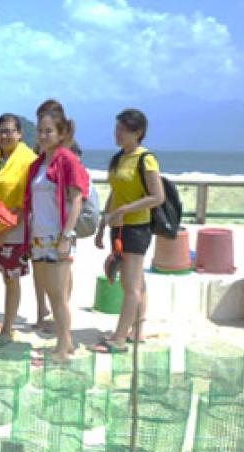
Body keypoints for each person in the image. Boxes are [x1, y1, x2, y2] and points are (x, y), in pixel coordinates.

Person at [92, 109, 164, 353]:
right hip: (118, 226)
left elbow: (157, 196)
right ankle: (138, 331)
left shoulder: (146, 159)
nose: (118, 134)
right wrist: (103, 225)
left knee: (129, 286)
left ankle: (119, 338)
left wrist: (127, 209)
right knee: (137, 282)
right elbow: (115, 192)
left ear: (138, 133)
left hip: (137, 228)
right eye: (117, 129)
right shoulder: (119, 158)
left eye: (123, 130)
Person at [23, 110, 89, 362]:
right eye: (40, 130)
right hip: (38, 235)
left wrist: (66, 236)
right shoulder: (37, 164)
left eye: (49, 131)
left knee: (59, 296)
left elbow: (76, 201)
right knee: (50, 293)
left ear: (62, 134)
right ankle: (66, 342)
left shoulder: (68, 160)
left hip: (58, 235)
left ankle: (63, 345)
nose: (43, 135)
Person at [0, 114, 38, 345]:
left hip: (15, 226)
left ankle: (8, 327)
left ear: (19, 134)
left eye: (9, 131)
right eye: (0, 131)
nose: (4, 136)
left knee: (11, 279)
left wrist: (8, 226)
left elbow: (29, 200)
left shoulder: (29, 160)